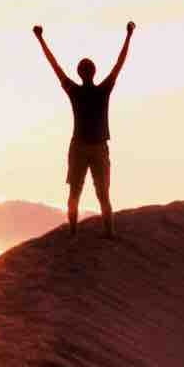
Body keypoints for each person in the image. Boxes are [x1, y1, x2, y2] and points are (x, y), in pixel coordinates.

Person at [34, 20, 132, 227]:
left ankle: (76, 233)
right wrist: (129, 35)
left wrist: (40, 39)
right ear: (92, 72)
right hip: (92, 146)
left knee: (79, 193)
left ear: (81, 72)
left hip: (83, 146)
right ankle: (104, 232)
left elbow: (56, 67)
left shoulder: (78, 91)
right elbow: (119, 64)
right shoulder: (100, 90)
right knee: (99, 194)